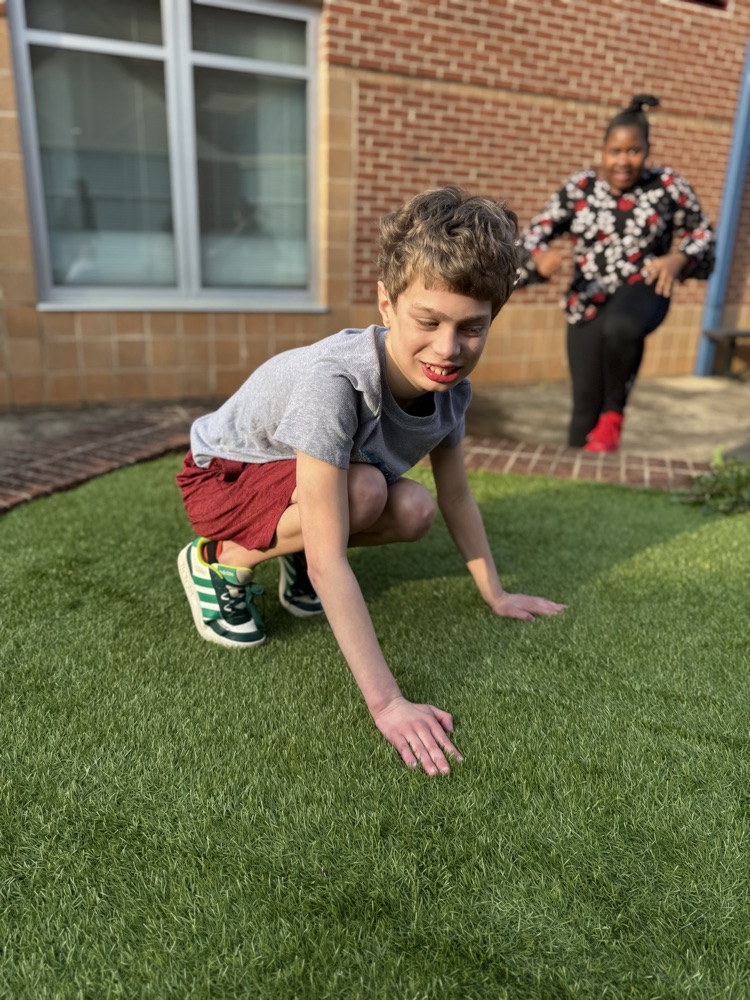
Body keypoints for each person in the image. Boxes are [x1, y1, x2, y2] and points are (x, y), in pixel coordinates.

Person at [175, 186, 566, 776]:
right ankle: (218, 560)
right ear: (387, 303)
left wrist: (496, 592)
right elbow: (330, 560)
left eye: (472, 328)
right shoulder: (336, 383)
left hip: (294, 482)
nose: (448, 348)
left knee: (413, 510)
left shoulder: (453, 392)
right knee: (363, 493)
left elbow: (456, 496)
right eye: (428, 321)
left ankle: (287, 549)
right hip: (223, 477)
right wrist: (388, 704)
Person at [516, 95, 715, 452]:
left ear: (647, 151)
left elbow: (702, 233)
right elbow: (532, 234)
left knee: (621, 328)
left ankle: (614, 413)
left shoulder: (667, 185)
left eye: (633, 151)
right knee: (583, 406)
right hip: (587, 300)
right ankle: (575, 473)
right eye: (615, 151)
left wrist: (677, 259)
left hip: (644, 288)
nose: (623, 160)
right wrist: (539, 257)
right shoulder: (580, 188)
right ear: (603, 152)